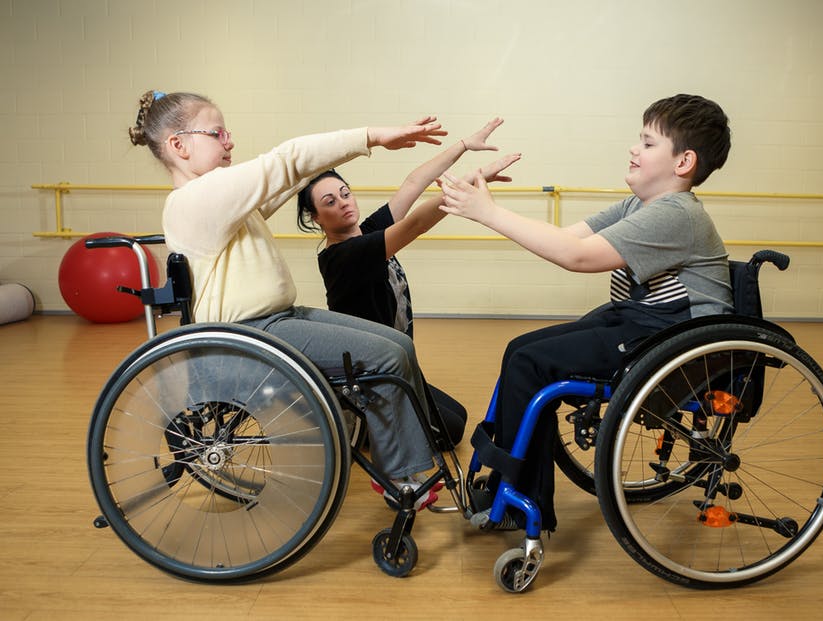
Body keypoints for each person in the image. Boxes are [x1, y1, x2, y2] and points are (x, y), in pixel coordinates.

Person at [129, 89, 449, 511]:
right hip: (250, 335)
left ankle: (407, 462)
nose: (229, 142)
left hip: (276, 320)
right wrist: (372, 136)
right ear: (178, 145)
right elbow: (288, 159)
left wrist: (351, 154)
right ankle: (400, 477)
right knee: (386, 359)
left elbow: (294, 175)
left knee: (399, 347)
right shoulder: (194, 200)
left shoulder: (219, 202)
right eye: (217, 133)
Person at [438, 94, 734, 531]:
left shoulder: (676, 214)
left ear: (683, 161)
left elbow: (576, 257)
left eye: (648, 143)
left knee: (530, 362)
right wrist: (488, 210)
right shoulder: (641, 205)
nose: (635, 149)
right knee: (521, 348)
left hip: (675, 340)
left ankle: (524, 502)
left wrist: (489, 214)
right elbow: (564, 238)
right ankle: (508, 482)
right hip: (644, 323)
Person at [295, 118, 521, 447]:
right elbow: (415, 223)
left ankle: (382, 418)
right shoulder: (344, 256)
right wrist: (470, 185)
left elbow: (414, 183)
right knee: (452, 430)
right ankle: (365, 423)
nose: (344, 202)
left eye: (345, 193)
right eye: (330, 202)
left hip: (397, 364)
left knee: (456, 413)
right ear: (315, 217)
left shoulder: (367, 231)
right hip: (372, 373)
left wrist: (463, 147)